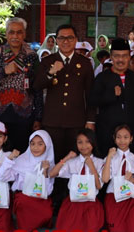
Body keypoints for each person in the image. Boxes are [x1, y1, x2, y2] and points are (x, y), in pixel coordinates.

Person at [34, 24, 95, 167]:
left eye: (70, 38)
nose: (66, 41)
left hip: (76, 121)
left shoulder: (85, 63)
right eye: (61, 38)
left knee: (74, 160)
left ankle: (72, 189)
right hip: (52, 121)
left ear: (76, 40)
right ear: (56, 40)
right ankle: (54, 189)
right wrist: (51, 72)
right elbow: (37, 85)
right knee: (53, 159)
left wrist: (91, 120)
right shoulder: (48, 61)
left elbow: (90, 93)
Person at [0, 17, 42, 152]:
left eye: (19, 32)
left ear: (24, 34)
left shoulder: (32, 56)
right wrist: (3, 72)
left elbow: (37, 88)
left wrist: (38, 117)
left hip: (24, 116)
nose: (15, 36)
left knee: (21, 156)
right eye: (11, 32)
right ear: (6, 34)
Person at [90, 38, 134, 155]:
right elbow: (93, 101)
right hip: (107, 132)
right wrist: (110, 95)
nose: (120, 60)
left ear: (129, 56)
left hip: (130, 133)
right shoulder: (101, 77)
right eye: (116, 56)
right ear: (111, 56)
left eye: (124, 56)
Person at [49, 128, 104, 232]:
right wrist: (67, 157)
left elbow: (99, 186)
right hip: (73, 204)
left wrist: (92, 167)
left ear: (93, 142)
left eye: (87, 141)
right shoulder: (72, 162)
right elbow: (52, 173)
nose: (84, 146)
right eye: (80, 142)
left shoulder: (100, 162)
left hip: (90, 203)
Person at [0, 130, 55, 232]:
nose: (35, 147)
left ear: (47, 146)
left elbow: (48, 191)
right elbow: (2, 177)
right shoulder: (21, 160)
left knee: (47, 212)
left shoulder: (49, 163)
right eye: (32, 144)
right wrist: (9, 159)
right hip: (23, 196)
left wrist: (45, 171)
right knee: (24, 205)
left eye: (40, 144)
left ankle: (39, 221)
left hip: (40, 197)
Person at [101, 125, 134, 232]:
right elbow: (105, 179)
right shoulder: (110, 157)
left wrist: (131, 179)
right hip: (113, 197)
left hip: (131, 198)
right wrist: (109, 157)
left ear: (131, 139)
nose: (122, 141)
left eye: (126, 137)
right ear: (114, 139)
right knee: (116, 231)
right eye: (119, 137)